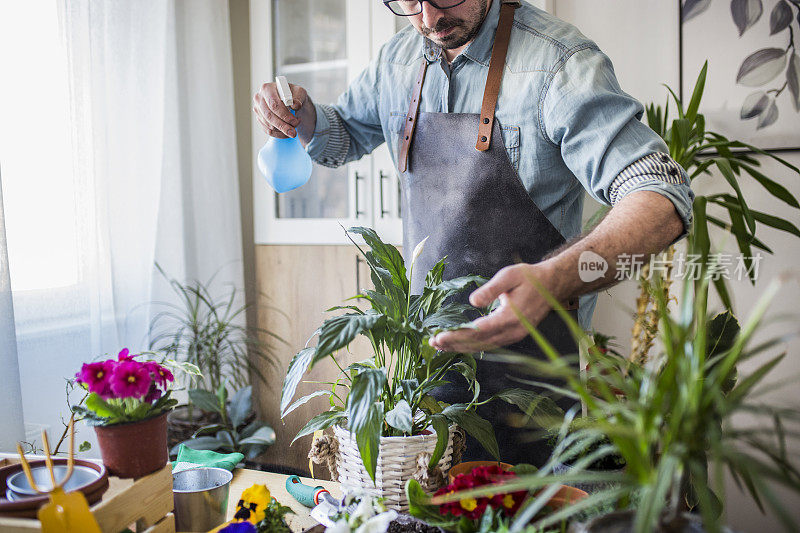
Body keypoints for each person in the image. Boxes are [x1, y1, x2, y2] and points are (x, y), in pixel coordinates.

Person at [253, 0, 695, 465]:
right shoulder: (397, 59)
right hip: (423, 377)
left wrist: (555, 279)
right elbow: (344, 132)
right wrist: (304, 119)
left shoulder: (559, 63)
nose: (427, 19)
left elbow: (661, 195)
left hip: (532, 390)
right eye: (408, 2)